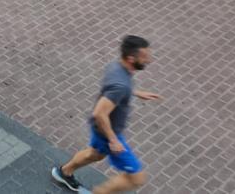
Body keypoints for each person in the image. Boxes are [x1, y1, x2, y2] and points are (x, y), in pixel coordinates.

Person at [51, 36, 161, 194]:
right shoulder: (121, 85)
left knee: (94, 154)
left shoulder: (116, 66)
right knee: (136, 177)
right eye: (144, 57)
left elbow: (114, 90)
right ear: (131, 58)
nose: (148, 60)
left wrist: (134, 92)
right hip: (108, 132)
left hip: (99, 130)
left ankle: (64, 172)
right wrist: (114, 140)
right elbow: (100, 113)